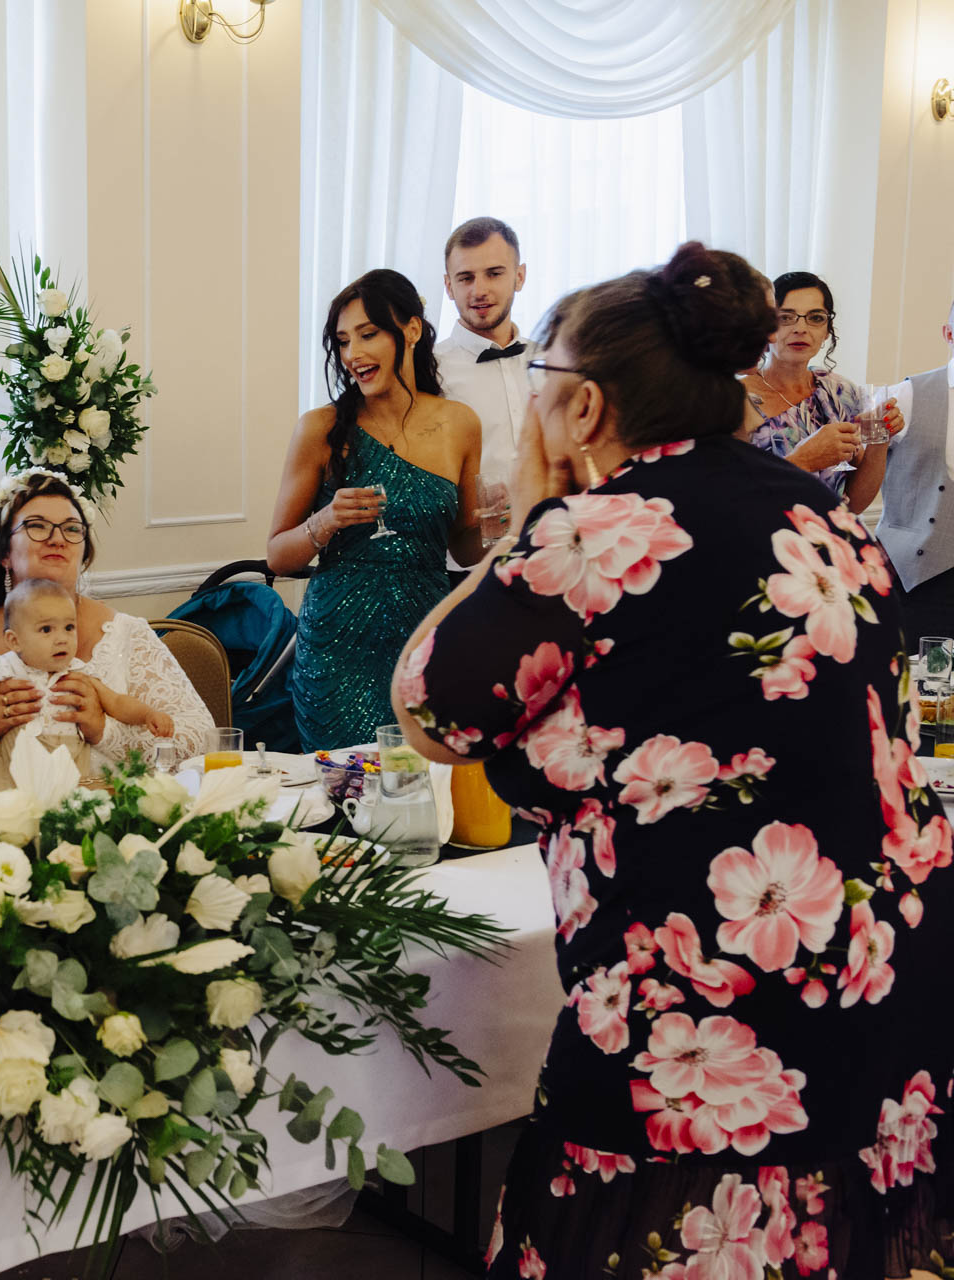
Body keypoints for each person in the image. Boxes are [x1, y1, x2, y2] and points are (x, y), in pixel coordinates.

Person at [391, 242, 954, 1277]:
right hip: (882, 972)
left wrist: (527, 523)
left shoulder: (596, 531)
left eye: (544, 377)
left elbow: (431, 711)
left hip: (706, 1009)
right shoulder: (822, 515)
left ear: (586, 406)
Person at [266, 268, 482, 752]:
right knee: (348, 790)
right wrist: (325, 521)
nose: (353, 354)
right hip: (338, 650)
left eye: (368, 335)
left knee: (423, 785)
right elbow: (278, 556)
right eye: (343, 341)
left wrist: (500, 524)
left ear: (411, 329)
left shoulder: (460, 424)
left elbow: (466, 549)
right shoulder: (319, 429)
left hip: (425, 640)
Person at [0, 470, 213, 773]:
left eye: (71, 528)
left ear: (84, 553)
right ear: (4, 552)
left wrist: (104, 730)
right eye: (37, 526)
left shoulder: (126, 632)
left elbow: (202, 737)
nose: (58, 538)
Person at [0, 578, 173, 792]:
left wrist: (147, 714)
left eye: (69, 627)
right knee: (5, 811)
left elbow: (116, 702)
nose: (62, 638)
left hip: (70, 760)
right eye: (46, 630)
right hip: (14, 762)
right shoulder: (4, 668)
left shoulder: (78, 672)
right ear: (14, 641)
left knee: (73, 807)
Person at [742, 271, 901, 514]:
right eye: (786, 317)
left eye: (815, 318)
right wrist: (804, 460)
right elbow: (727, 498)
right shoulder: (735, 400)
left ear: (827, 330)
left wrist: (880, 440)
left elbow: (854, 504)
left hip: (830, 534)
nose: (801, 328)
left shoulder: (840, 392)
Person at [874, 300, 954, 646]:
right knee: (919, 674)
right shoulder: (907, 395)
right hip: (917, 574)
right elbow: (862, 468)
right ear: (949, 334)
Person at [437, 217, 535, 482]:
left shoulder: (552, 362)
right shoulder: (427, 371)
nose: (479, 290)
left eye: (494, 274)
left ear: (519, 277)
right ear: (449, 287)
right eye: (466, 278)